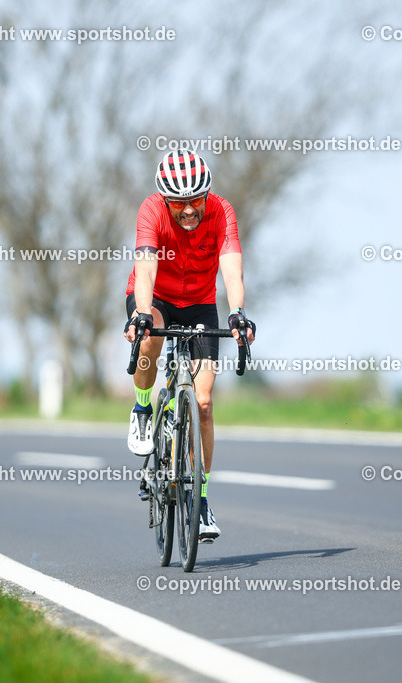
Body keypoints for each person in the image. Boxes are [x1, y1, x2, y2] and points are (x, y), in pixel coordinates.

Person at [123, 149, 256, 542]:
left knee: (203, 402)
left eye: (195, 201)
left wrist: (237, 312)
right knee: (151, 337)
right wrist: (142, 314)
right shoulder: (151, 211)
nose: (188, 210)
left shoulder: (222, 211)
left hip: (199, 303)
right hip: (157, 299)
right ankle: (143, 407)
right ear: (165, 200)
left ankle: (199, 501)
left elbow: (232, 264)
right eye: (179, 203)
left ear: (207, 195)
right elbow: (146, 266)